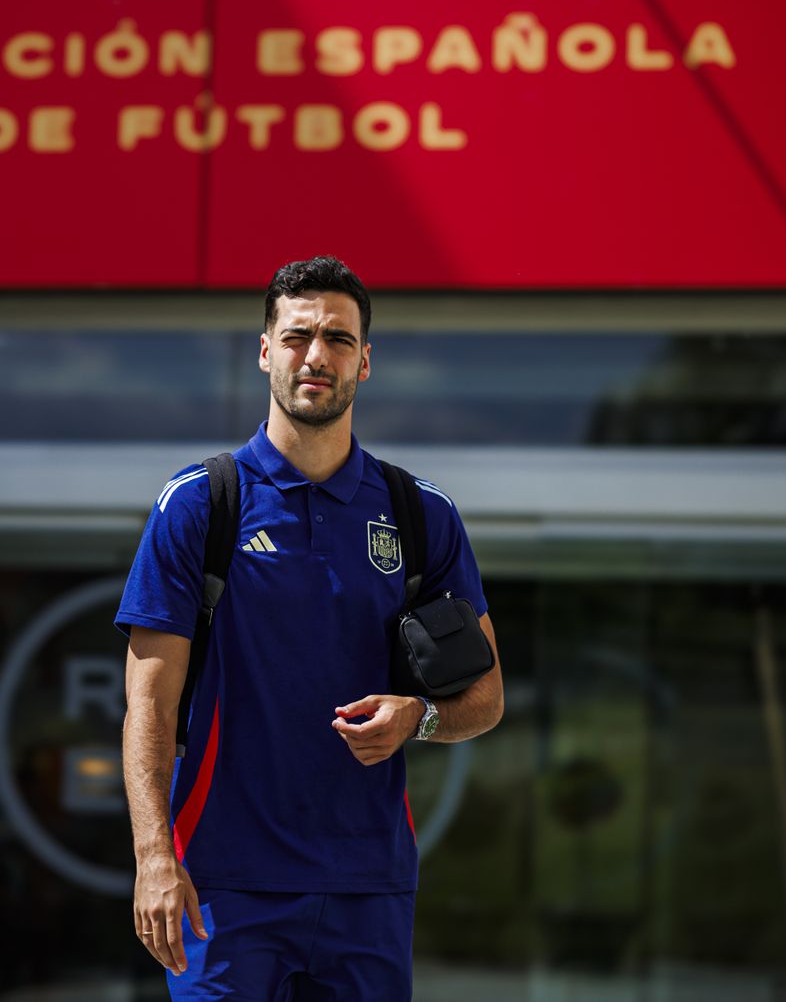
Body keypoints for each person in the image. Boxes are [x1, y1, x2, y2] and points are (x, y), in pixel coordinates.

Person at [116, 255, 504, 1000]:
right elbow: (149, 707)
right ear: (265, 351)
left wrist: (419, 717)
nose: (316, 355)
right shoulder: (201, 504)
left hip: (369, 886)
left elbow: (486, 695)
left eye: (337, 338)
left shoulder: (423, 515)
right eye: (296, 337)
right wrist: (153, 857)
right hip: (223, 885)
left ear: (366, 361)